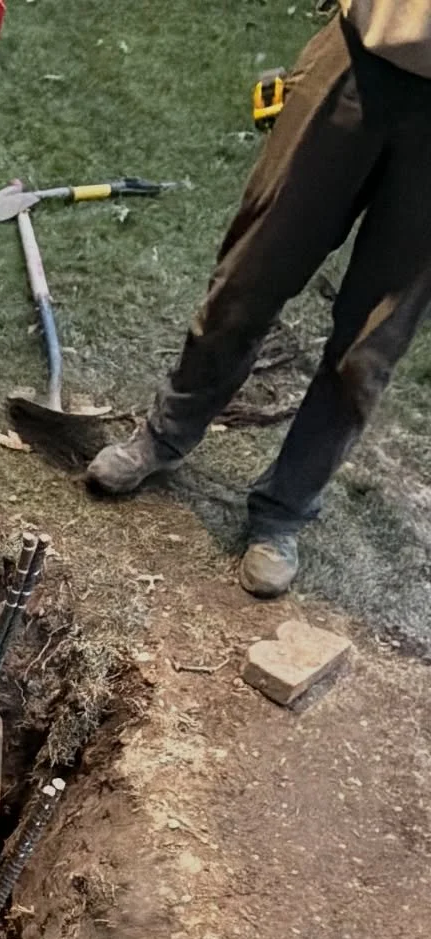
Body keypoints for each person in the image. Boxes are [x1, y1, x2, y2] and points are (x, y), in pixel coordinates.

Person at [87, 0, 431, 597]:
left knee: (368, 349)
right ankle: (166, 433)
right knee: (249, 280)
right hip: (359, 56)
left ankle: (283, 511)